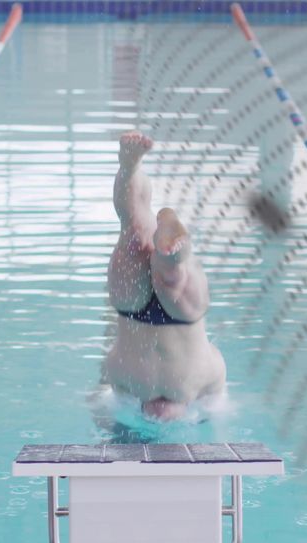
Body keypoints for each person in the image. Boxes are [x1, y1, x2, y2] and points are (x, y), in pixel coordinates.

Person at [102, 131, 226, 421]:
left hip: (140, 352)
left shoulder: (120, 393)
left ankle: (130, 169)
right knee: (165, 268)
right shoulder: (210, 386)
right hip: (169, 360)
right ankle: (171, 257)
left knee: (133, 231)